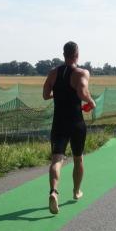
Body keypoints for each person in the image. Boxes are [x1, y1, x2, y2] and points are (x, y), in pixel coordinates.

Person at [42, 41, 96, 215]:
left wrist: (58, 93)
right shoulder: (82, 72)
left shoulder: (53, 73)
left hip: (59, 122)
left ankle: (53, 192)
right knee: (78, 158)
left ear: (64, 54)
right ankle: (76, 191)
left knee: (57, 160)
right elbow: (82, 92)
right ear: (77, 55)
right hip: (76, 122)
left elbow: (45, 95)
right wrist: (91, 102)